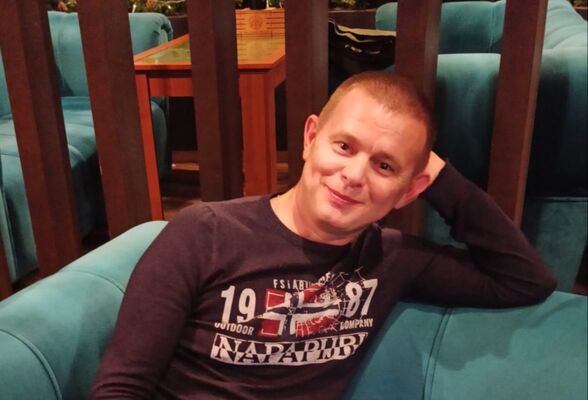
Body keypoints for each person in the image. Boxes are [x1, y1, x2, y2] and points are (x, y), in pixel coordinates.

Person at [91, 71, 556, 399]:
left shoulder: (392, 259)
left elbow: (524, 279)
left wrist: (438, 176)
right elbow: (121, 387)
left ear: (410, 190)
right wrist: (397, 160)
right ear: (311, 138)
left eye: (384, 165)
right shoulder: (204, 233)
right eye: (344, 146)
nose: (353, 175)